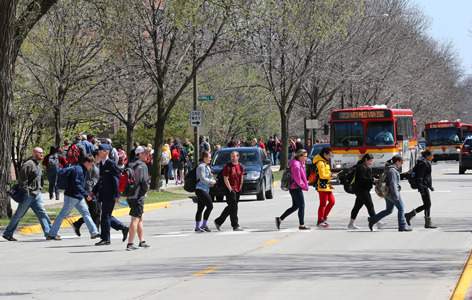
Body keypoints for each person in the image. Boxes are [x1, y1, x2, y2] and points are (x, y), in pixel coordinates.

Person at [47, 154, 100, 240]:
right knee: (63, 215)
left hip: (78, 197)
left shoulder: (82, 169)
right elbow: (76, 184)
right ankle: (52, 234)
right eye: (91, 164)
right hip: (72, 197)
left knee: (86, 213)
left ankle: (94, 232)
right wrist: (86, 194)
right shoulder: (79, 170)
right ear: (87, 162)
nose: (92, 166)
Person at [3, 148, 52, 241]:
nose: (42, 154)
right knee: (18, 215)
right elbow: (22, 179)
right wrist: (27, 191)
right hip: (28, 195)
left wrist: (40, 188)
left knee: (43, 214)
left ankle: (49, 234)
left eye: (42, 153)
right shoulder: (28, 164)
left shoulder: (38, 165)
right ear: (34, 153)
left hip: (37, 194)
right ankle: (8, 234)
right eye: (39, 153)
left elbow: (39, 179)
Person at [90, 144, 129, 246]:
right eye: (98, 151)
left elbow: (116, 180)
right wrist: (93, 191)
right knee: (106, 216)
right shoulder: (102, 164)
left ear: (106, 152)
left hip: (110, 194)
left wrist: (117, 195)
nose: (98, 153)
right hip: (104, 193)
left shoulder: (111, 164)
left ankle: (106, 239)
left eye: (100, 151)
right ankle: (123, 228)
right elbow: (101, 180)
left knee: (105, 216)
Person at [368, 155, 412, 232]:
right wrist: (396, 195)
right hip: (392, 193)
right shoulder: (392, 171)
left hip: (387, 193)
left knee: (389, 210)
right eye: (401, 162)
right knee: (401, 208)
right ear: (397, 162)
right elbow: (393, 183)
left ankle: (372, 220)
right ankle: (402, 226)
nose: (402, 163)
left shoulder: (389, 169)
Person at [348, 154, 385, 230]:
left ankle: (351, 224)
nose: (371, 162)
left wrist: (373, 180)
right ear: (366, 160)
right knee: (370, 206)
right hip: (362, 190)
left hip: (361, 190)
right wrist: (372, 179)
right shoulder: (361, 168)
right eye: (370, 161)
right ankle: (377, 223)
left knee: (357, 207)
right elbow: (363, 179)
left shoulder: (364, 167)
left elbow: (365, 178)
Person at [275, 149, 310, 230]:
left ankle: (279, 219)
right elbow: (298, 179)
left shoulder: (297, 163)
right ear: (300, 156)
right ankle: (302, 225)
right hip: (296, 188)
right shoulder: (296, 165)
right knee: (301, 206)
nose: (306, 158)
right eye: (305, 156)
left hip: (294, 188)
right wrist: (304, 186)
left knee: (295, 206)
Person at [126, 146, 152, 250]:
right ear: (140, 154)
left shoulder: (130, 164)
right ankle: (130, 244)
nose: (147, 155)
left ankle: (142, 241)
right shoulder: (142, 166)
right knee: (135, 219)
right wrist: (145, 190)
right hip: (138, 196)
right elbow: (145, 182)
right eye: (146, 153)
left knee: (140, 218)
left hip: (130, 195)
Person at [404, 149, 437, 229]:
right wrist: (422, 189)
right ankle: (427, 222)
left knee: (427, 204)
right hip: (423, 186)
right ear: (427, 156)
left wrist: (430, 186)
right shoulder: (423, 163)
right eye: (431, 156)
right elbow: (420, 177)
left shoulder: (425, 162)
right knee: (427, 204)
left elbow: (426, 177)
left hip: (425, 186)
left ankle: (410, 215)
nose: (432, 158)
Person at [72, 149, 101, 236]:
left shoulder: (98, 165)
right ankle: (95, 231)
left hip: (96, 191)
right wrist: (89, 192)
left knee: (96, 211)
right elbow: (87, 180)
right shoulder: (90, 167)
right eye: (101, 154)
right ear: (96, 156)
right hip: (90, 192)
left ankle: (78, 224)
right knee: (94, 212)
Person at [214, 151, 244, 231]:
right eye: (231, 156)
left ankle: (218, 221)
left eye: (234, 156)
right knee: (234, 207)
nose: (232, 158)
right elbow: (225, 179)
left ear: (238, 157)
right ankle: (235, 225)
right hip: (230, 189)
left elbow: (241, 177)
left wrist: (240, 186)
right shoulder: (227, 167)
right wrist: (230, 189)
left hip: (238, 189)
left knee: (232, 207)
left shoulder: (241, 166)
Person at [313, 147, 338, 228]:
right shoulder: (320, 162)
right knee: (323, 204)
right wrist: (331, 175)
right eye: (329, 155)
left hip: (326, 185)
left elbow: (326, 173)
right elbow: (322, 175)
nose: (330, 157)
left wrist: (331, 174)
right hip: (322, 186)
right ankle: (320, 220)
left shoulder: (325, 162)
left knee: (332, 202)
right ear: (324, 154)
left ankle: (323, 218)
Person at [195, 151, 216, 233]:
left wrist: (212, 181)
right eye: (209, 157)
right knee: (210, 206)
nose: (210, 159)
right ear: (204, 158)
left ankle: (198, 227)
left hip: (205, 189)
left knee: (200, 209)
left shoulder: (206, 166)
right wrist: (210, 181)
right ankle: (203, 225)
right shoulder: (201, 167)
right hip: (200, 189)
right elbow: (202, 178)